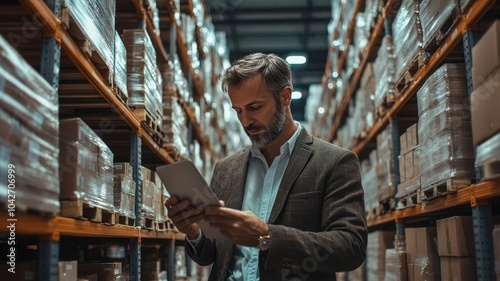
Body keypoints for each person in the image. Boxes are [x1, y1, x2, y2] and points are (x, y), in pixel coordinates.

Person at [165, 53, 367, 281]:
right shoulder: (226, 169)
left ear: (285, 97)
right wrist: (193, 231)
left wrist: (266, 236)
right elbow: (212, 255)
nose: (246, 121)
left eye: (255, 107)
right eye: (238, 111)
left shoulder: (334, 161)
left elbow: (351, 247)